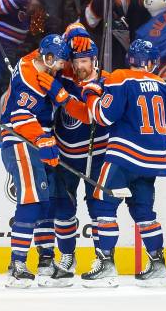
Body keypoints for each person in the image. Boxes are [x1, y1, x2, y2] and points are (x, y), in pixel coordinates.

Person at [79, 39, 166, 288]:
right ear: (152, 63)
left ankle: (106, 264)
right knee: (143, 211)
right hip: (152, 159)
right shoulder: (162, 84)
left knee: (103, 205)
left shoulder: (120, 77)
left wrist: (91, 94)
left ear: (130, 60)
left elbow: (103, 116)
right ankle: (158, 264)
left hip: (124, 155)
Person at [0, 34, 71, 288]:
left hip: (42, 142)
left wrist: (73, 30)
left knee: (47, 203)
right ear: (48, 58)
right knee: (31, 200)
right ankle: (17, 264)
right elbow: (19, 117)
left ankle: (45, 260)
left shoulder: (38, 60)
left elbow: (54, 42)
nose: (64, 66)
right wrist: (42, 138)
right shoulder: (29, 77)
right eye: (60, 61)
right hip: (22, 142)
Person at [47, 24, 111, 286]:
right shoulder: (60, 79)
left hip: (97, 155)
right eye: (76, 59)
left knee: (99, 208)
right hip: (65, 155)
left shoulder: (107, 80)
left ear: (94, 60)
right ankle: (67, 257)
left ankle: (103, 259)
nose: (80, 65)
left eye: (84, 60)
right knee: (63, 208)